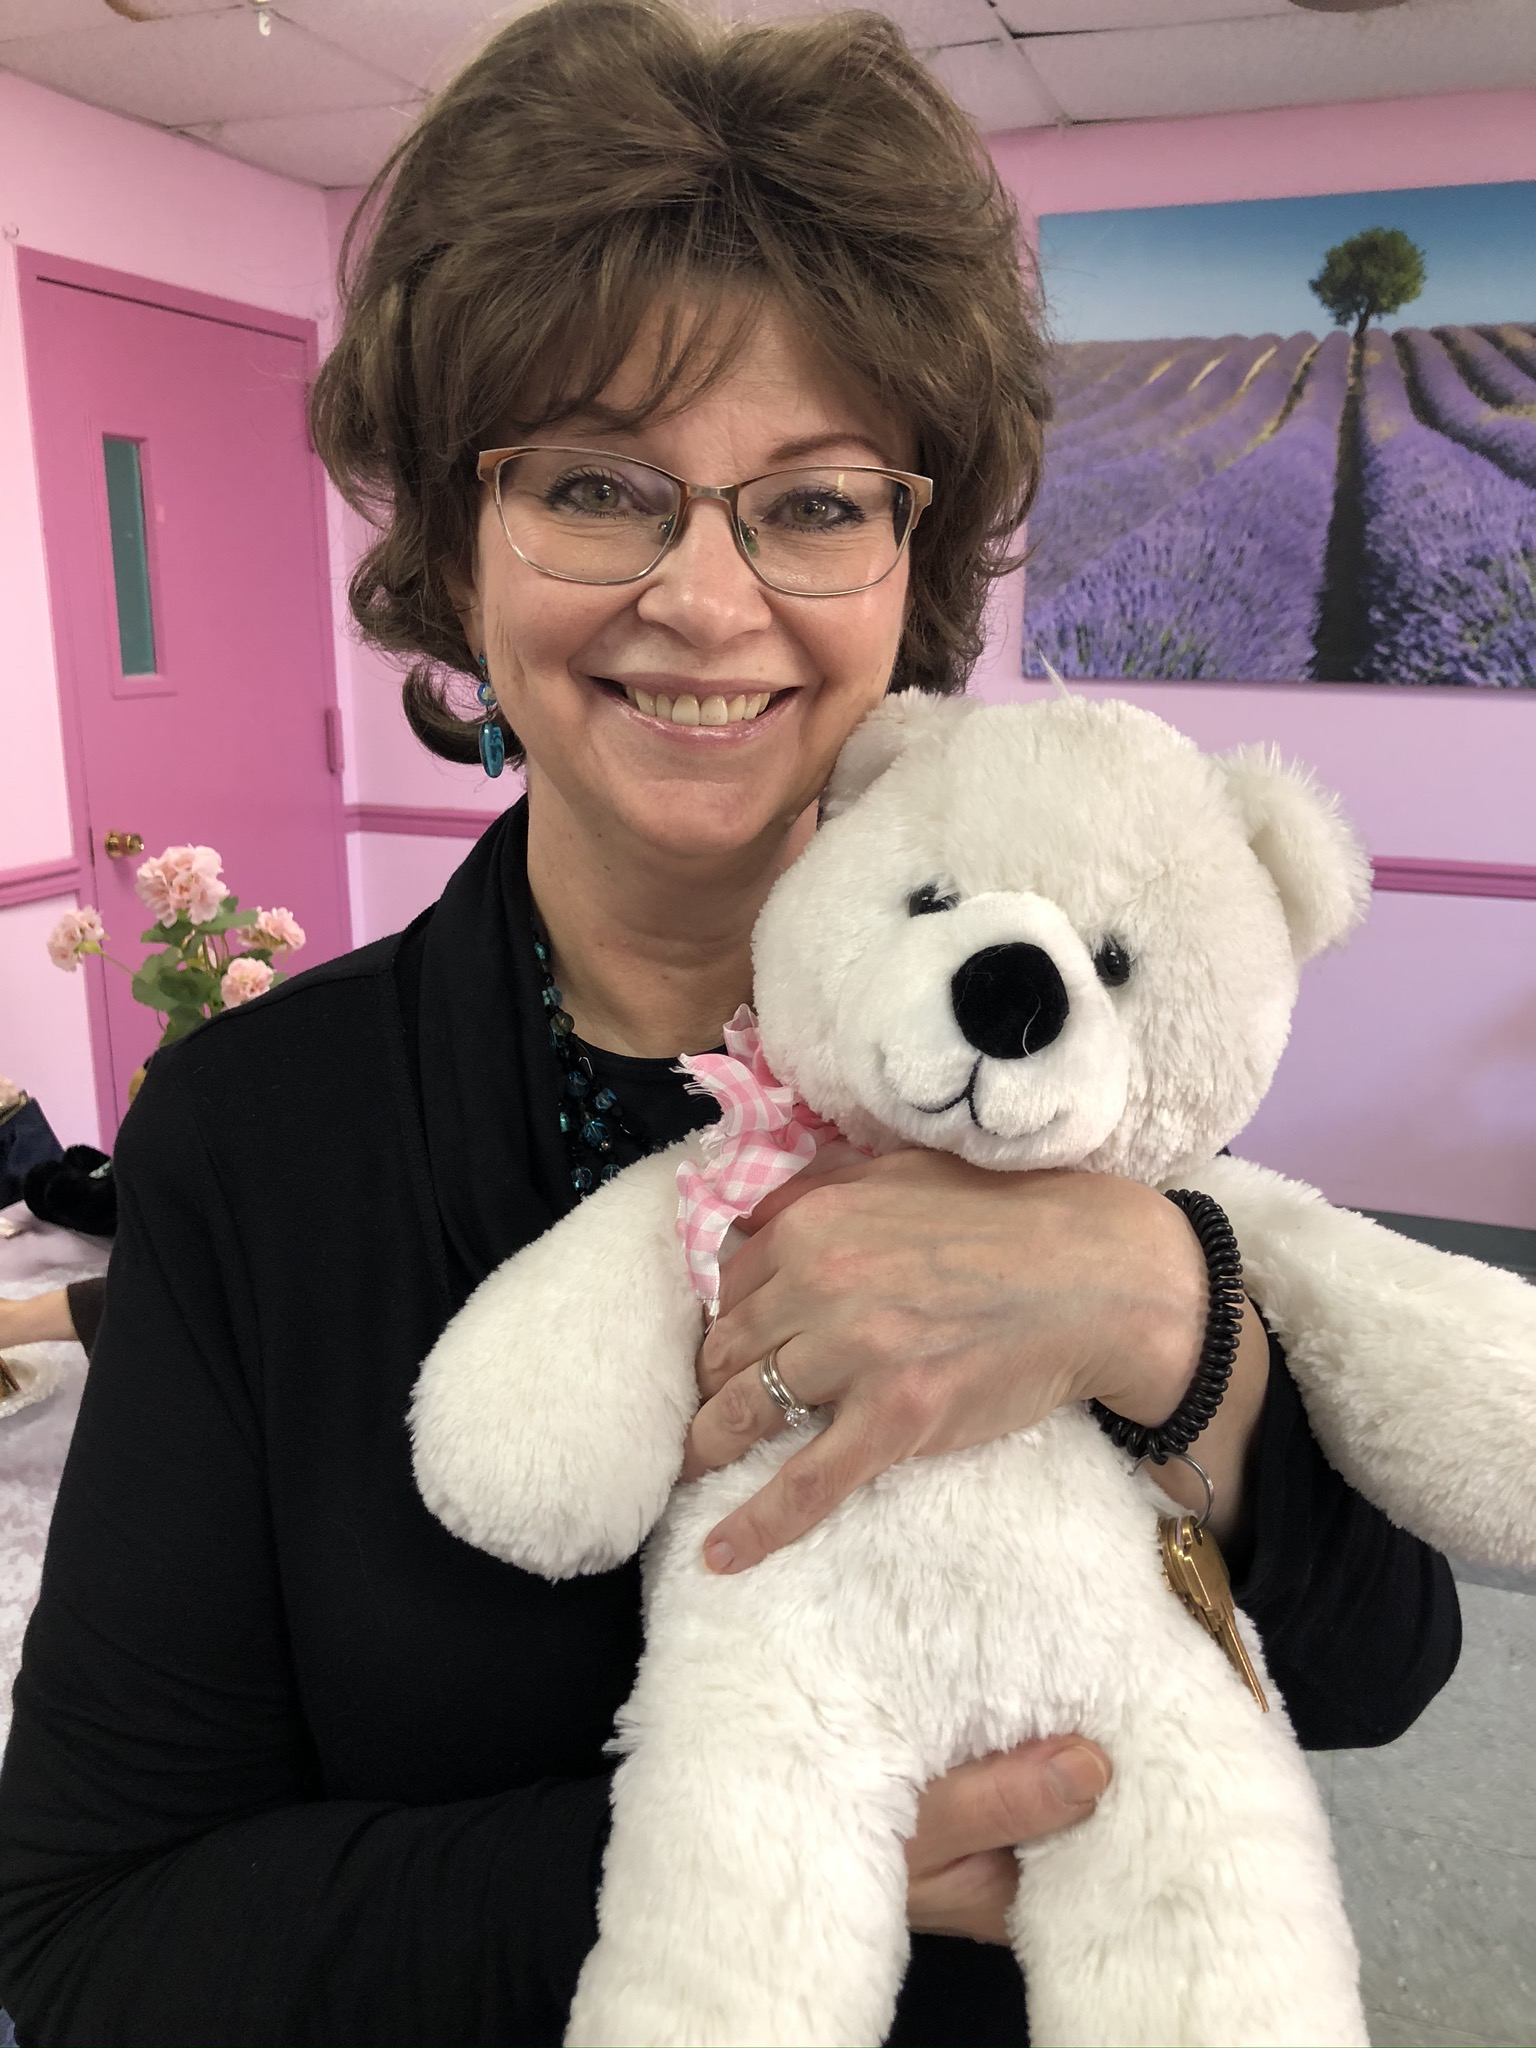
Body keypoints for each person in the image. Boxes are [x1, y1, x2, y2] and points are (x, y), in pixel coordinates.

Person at [0, 3, 1458, 2042]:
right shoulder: (260, 1139)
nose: (706, 598)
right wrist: (754, 1853)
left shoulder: (1082, 1039)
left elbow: (1384, 1669)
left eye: (815, 500)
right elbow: (94, 1936)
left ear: (911, 558)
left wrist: (1169, 1325)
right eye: (599, 485)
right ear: (455, 545)